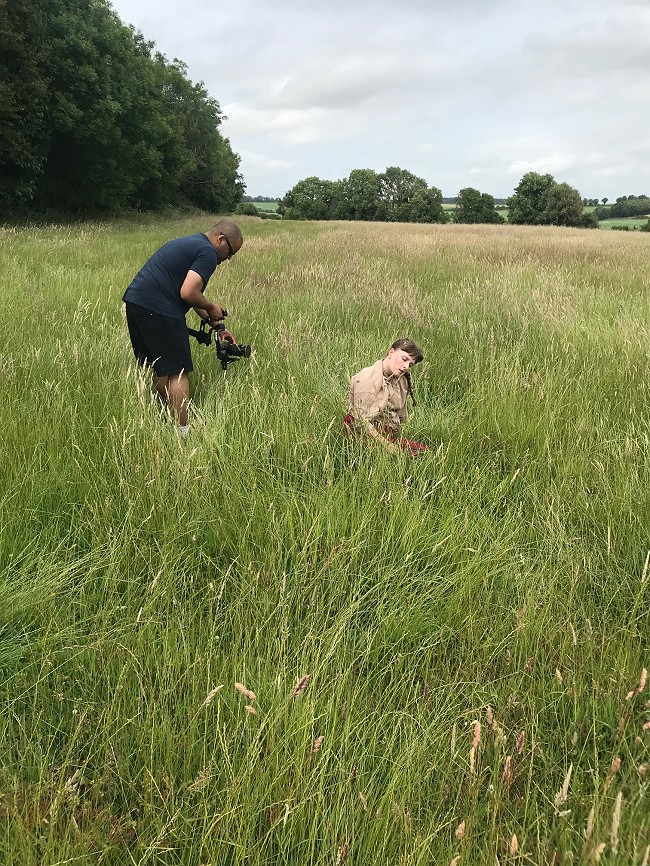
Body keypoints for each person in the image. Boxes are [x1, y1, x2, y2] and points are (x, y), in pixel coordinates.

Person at [123, 220, 243, 436]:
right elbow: (188, 293)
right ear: (221, 240)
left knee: (160, 366)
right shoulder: (208, 253)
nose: (228, 259)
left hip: (136, 302)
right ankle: (183, 433)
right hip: (160, 308)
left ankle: (167, 416)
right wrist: (211, 305)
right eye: (230, 252)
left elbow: (192, 298)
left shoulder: (191, 243)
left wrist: (219, 327)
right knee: (178, 371)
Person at [344, 338, 428, 455]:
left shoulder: (401, 380)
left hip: (386, 434)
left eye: (410, 364)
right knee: (406, 457)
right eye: (404, 359)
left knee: (423, 452)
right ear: (391, 353)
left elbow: (398, 417)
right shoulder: (367, 378)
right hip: (362, 435)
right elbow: (360, 422)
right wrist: (389, 447)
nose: (406, 366)